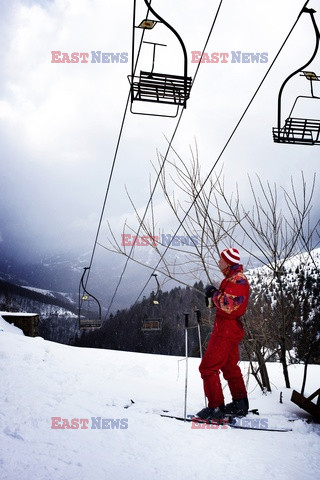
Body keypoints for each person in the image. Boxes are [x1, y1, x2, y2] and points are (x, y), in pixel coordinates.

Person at [197, 247, 250, 421]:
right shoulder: (231, 279)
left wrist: (214, 294)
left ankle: (215, 407)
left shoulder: (238, 281)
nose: (218, 262)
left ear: (228, 262)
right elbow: (225, 303)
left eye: (221, 260)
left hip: (226, 329)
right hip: (229, 327)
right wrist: (212, 297)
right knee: (228, 366)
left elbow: (229, 305)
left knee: (208, 367)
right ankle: (240, 403)